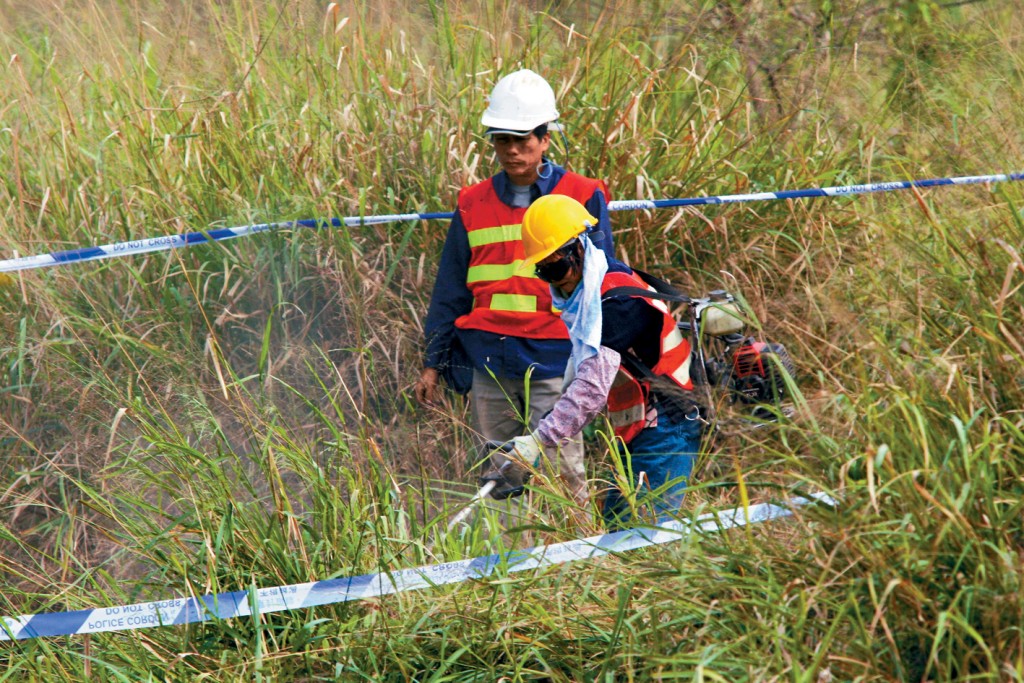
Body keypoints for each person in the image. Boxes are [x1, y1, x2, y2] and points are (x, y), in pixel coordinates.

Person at [415, 69, 614, 507]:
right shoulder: (471, 202)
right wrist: (434, 361)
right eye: (503, 140)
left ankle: (578, 561)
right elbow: (449, 289)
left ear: (546, 139)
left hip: (555, 361)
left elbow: (603, 285)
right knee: (499, 480)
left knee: (564, 475)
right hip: (490, 363)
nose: (512, 150)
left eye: (524, 139)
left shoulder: (582, 195)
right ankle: (508, 569)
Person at [480, 194, 707, 528]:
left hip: (668, 426)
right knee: (617, 524)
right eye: (545, 272)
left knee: (641, 537)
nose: (558, 279)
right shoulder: (592, 295)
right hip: (641, 428)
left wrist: (537, 445)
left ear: (580, 247)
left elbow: (590, 389)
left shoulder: (616, 303)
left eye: (557, 266)